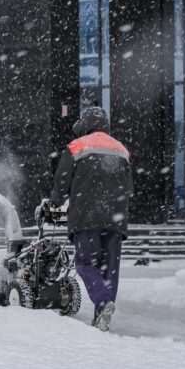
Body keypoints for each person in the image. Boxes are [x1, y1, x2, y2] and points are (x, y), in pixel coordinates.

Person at [49, 107, 133, 331]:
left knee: (85, 262)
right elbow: (128, 188)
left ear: (85, 125)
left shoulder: (77, 146)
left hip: (86, 217)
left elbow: (62, 182)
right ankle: (101, 316)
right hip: (115, 221)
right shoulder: (121, 149)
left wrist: (55, 203)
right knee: (109, 270)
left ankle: (103, 302)